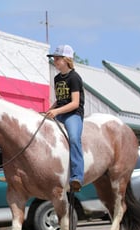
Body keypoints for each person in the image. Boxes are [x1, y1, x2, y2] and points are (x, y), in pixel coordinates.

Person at [46, 44, 85, 192]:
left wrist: (57, 112)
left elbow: (74, 103)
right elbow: (60, 99)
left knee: (74, 138)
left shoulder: (74, 77)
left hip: (72, 114)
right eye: (54, 59)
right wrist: (49, 111)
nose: (54, 61)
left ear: (66, 59)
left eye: (57, 58)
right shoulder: (57, 78)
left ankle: (77, 177)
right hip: (60, 112)